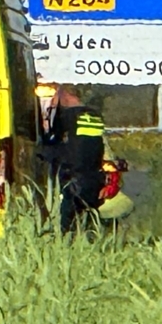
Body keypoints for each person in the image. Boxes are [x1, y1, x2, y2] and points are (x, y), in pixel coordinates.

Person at [40, 84, 107, 235]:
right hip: (93, 178)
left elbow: (59, 148)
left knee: (67, 226)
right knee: (88, 223)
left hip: (72, 179)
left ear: (64, 95)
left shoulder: (67, 118)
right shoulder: (95, 116)